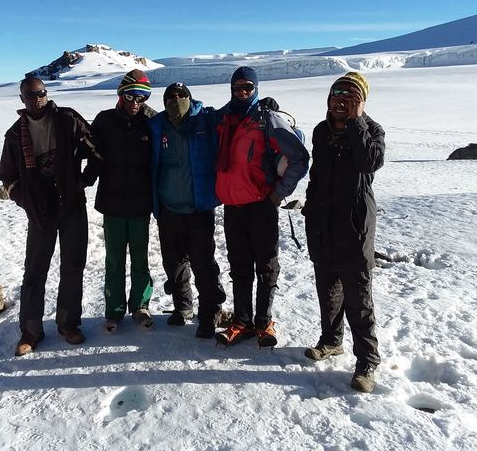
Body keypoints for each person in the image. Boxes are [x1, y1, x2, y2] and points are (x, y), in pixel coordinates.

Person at [0, 75, 98, 355]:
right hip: (40, 211)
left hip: (71, 205)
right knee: (35, 271)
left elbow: (96, 152)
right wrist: (25, 199)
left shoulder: (68, 120)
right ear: (22, 100)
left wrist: (82, 181)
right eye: (30, 95)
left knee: (73, 265)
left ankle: (68, 324)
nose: (37, 98)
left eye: (41, 93)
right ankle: (30, 331)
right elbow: (7, 176)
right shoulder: (16, 134)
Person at [214, 67, 310, 348]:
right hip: (233, 206)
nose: (242, 92)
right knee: (240, 266)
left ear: (256, 88)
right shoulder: (224, 117)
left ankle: (264, 321)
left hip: (261, 205)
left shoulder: (267, 119)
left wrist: (279, 193)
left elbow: (299, 158)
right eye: (237, 87)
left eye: (248, 87)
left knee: (266, 266)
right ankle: (241, 321)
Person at [302, 71, 385, 393]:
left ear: (361, 102)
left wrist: (357, 121)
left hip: (354, 226)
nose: (341, 101)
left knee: (358, 297)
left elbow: (370, 162)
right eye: (337, 94)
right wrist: (309, 206)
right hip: (322, 224)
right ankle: (331, 341)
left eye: (350, 97)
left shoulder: (372, 130)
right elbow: (317, 175)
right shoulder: (321, 131)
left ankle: (367, 361)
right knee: (328, 289)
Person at [148, 82, 227, 339]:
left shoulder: (205, 119)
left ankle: (210, 312)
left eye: (182, 95)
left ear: (190, 98)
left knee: (203, 263)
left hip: (198, 207)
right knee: (174, 262)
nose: (177, 99)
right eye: (171, 95)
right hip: (169, 207)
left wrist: (266, 108)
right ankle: (183, 306)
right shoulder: (156, 124)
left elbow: (235, 114)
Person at [83, 70, 156, 333]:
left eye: (142, 96)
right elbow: (93, 155)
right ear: (120, 94)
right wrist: (81, 181)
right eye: (130, 95)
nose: (136, 102)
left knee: (140, 259)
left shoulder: (153, 121)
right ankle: (114, 310)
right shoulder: (105, 120)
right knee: (114, 260)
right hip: (112, 203)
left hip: (140, 204)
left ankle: (140, 306)